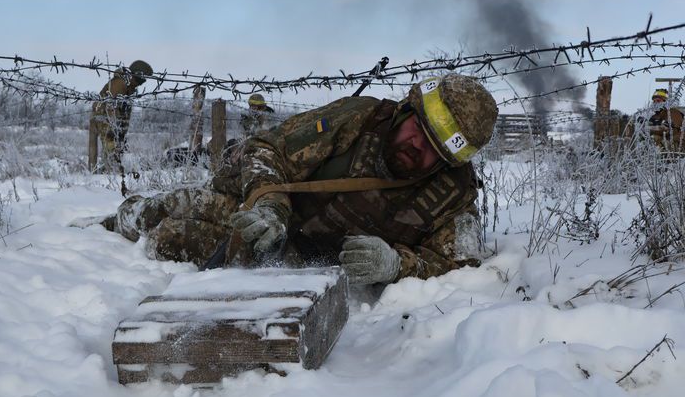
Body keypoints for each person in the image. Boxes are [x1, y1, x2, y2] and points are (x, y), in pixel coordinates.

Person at [96, 73, 498, 286]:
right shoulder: (359, 119)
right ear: (407, 110)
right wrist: (270, 207)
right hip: (261, 214)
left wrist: (396, 265)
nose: (417, 146)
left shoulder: (453, 194)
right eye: (417, 129)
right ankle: (116, 221)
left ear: (448, 162)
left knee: (171, 237)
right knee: (162, 209)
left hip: (298, 261)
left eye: (433, 149)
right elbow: (268, 149)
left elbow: (458, 267)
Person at [90, 60, 153, 171]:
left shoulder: (130, 86)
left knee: (115, 147)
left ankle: (108, 171)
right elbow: (111, 107)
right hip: (104, 118)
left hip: (112, 121)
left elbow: (125, 112)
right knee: (111, 146)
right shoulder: (120, 83)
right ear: (137, 75)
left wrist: (122, 132)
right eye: (143, 78)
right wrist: (115, 130)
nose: (144, 82)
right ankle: (109, 172)